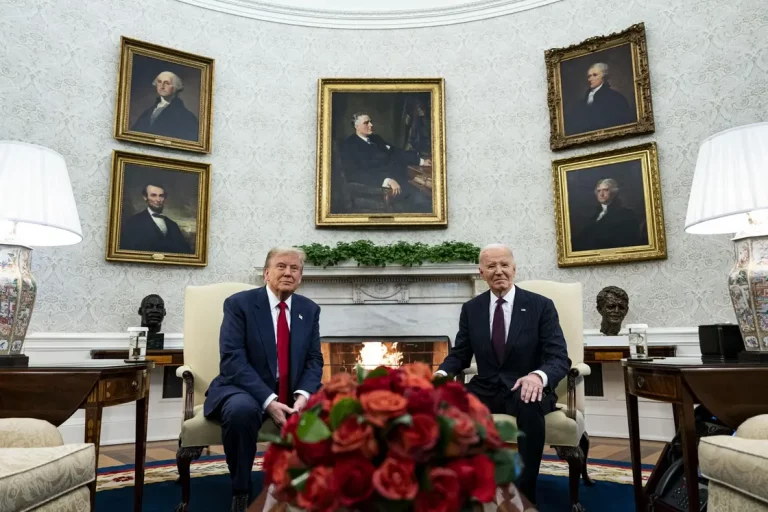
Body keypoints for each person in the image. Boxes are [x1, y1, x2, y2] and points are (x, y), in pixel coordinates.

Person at [435, 244, 570, 504]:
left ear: (514, 269)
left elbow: (558, 356)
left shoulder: (540, 306)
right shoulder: (471, 309)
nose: (499, 271)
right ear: (481, 272)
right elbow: (460, 354)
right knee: (447, 405)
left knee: (529, 404)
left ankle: (525, 492)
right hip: (486, 386)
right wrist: (440, 375)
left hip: (526, 386)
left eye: (504, 265)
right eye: (491, 266)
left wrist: (538, 376)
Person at [204, 248, 324, 512]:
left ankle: (315, 487)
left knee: (332, 406)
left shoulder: (309, 309)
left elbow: (314, 360)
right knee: (241, 411)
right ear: (267, 273)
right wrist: (269, 401)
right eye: (281, 266)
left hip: (292, 389)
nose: (288, 273)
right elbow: (232, 359)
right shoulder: (239, 304)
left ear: (301, 277)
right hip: (243, 387)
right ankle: (241, 490)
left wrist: (303, 395)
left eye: (295, 269)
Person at [340, 111, 432, 213]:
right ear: (356, 126)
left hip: (400, 180)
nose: (371, 125)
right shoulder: (349, 145)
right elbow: (355, 174)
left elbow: (395, 152)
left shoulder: (376, 138)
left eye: (370, 122)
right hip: (379, 188)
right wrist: (387, 180)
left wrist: (421, 161)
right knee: (422, 200)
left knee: (427, 193)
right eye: (366, 123)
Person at [571, 178, 644, 252]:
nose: (601, 194)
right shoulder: (594, 215)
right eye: (598, 191)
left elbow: (628, 242)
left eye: (606, 190)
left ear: (614, 192)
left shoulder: (627, 214)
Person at [120, 182, 193, 254]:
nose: (158, 200)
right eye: (153, 195)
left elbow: (185, 252)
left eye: (161, 196)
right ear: (145, 197)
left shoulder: (173, 225)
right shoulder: (133, 222)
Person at [565, 62, 635, 135]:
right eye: (589, 76)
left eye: (595, 75)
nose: (590, 79)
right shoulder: (583, 101)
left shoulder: (615, 97)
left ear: (604, 77)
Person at [131, 71, 200, 141]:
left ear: (175, 87)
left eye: (167, 83)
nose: (162, 86)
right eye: (159, 82)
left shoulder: (186, 116)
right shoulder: (148, 112)